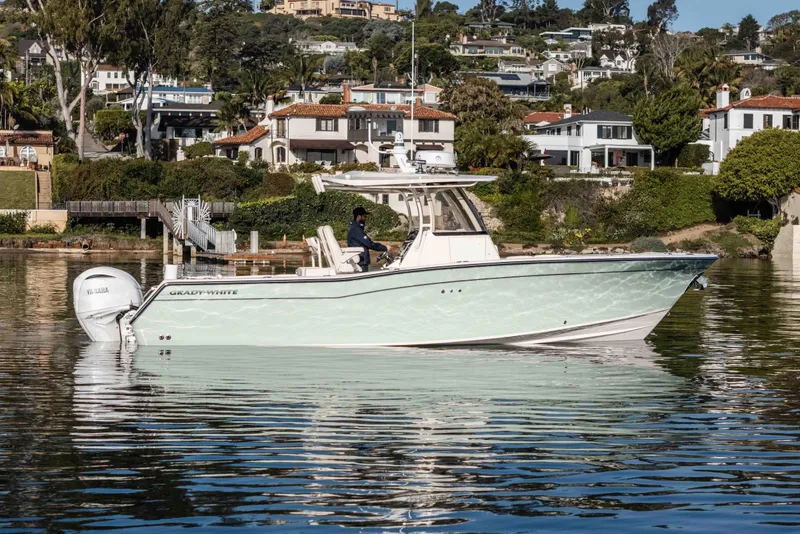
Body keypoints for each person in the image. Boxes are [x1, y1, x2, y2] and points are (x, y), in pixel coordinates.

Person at [347, 207, 387, 272]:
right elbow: (369, 243)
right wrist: (384, 248)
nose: (366, 218)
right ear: (359, 216)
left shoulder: (354, 227)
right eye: (364, 216)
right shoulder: (356, 229)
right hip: (361, 261)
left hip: (360, 260)